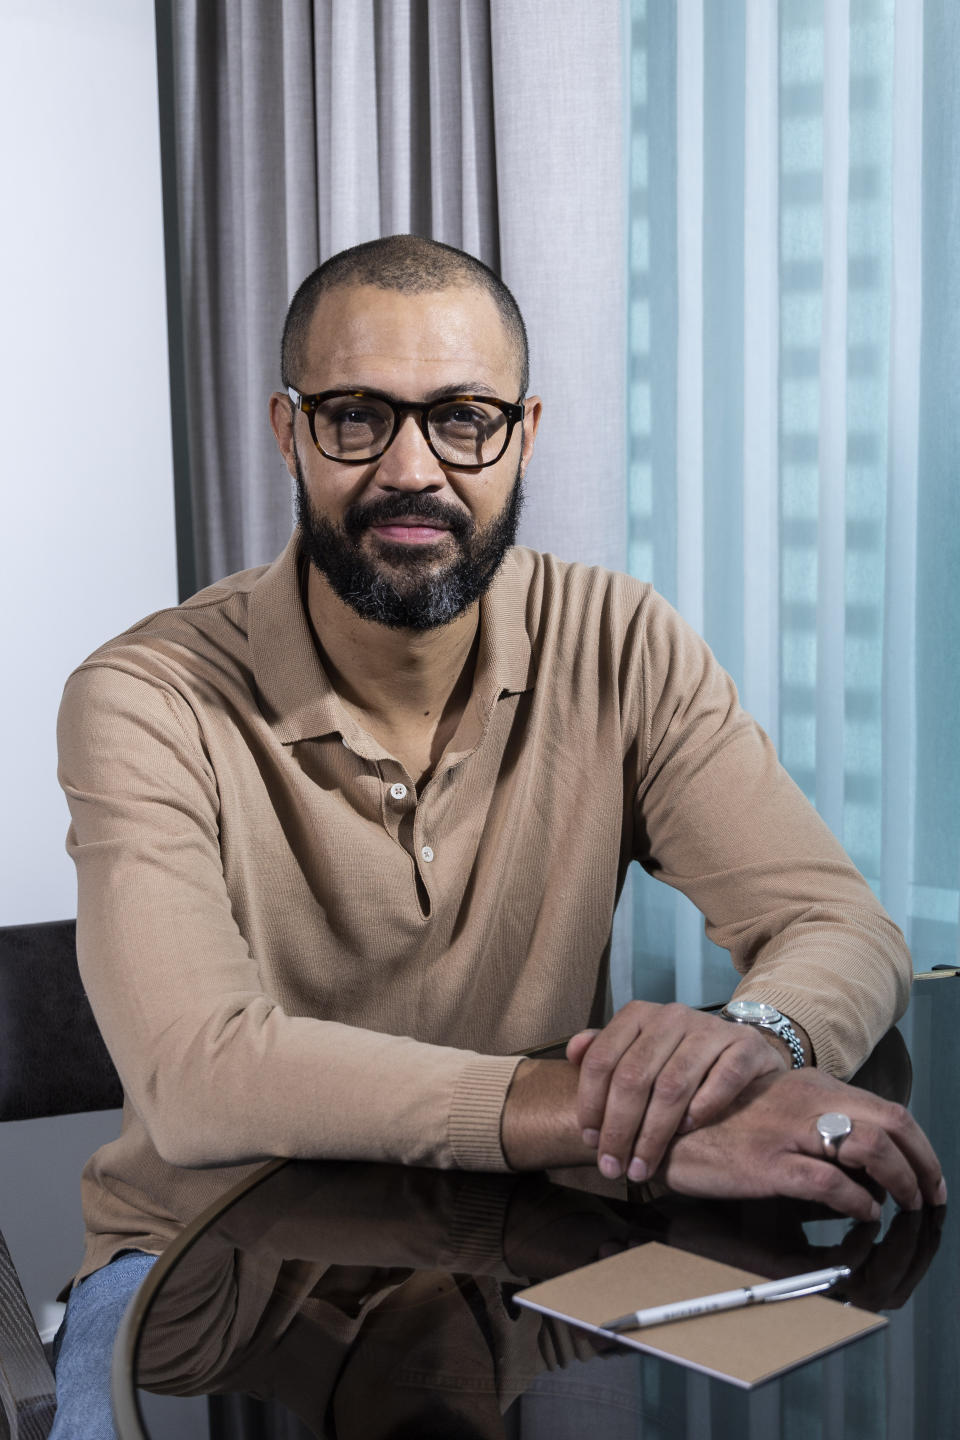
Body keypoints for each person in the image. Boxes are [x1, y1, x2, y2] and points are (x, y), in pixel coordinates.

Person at [51, 235, 944, 1436]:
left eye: (462, 417)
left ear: (522, 433)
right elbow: (202, 1075)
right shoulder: (144, 696)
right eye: (356, 416)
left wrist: (751, 1042)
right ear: (287, 433)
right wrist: (619, 1115)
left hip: (531, 1263)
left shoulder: (621, 640)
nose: (412, 468)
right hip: (208, 1293)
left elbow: (835, 923)